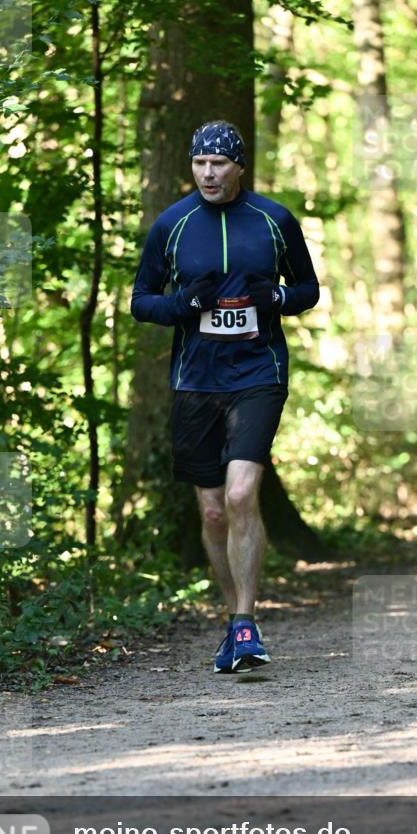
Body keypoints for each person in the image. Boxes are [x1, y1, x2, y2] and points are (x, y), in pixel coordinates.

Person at [131, 120, 319, 672]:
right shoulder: (172, 225)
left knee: (240, 496)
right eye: (199, 163)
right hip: (196, 381)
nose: (208, 173)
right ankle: (232, 618)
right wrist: (182, 305)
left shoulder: (274, 220)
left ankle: (245, 622)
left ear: (239, 167)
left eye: (218, 164)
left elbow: (307, 289)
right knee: (213, 510)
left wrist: (276, 297)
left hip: (259, 372)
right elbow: (141, 300)